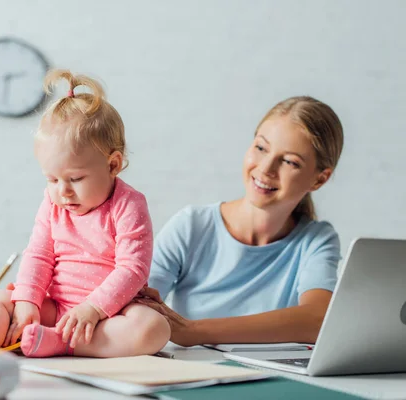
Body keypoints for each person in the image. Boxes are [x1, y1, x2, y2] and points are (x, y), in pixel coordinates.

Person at [0, 70, 170, 358]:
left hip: (106, 317)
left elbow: (132, 269)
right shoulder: (53, 201)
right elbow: (39, 253)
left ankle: (62, 343)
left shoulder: (128, 204)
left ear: (113, 165)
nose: (63, 191)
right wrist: (27, 303)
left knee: (153, 328)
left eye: (75, 179)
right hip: (56, 307)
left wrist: (93, 309)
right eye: (52, 179)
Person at [135, 96, 344, 347]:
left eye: (289, 162)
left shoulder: (317, 240)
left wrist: (195, 331)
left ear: (319, 180)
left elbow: (317, 321)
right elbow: (137, 304)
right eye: (261, 148)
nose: (266, 168)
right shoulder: (192, 227)